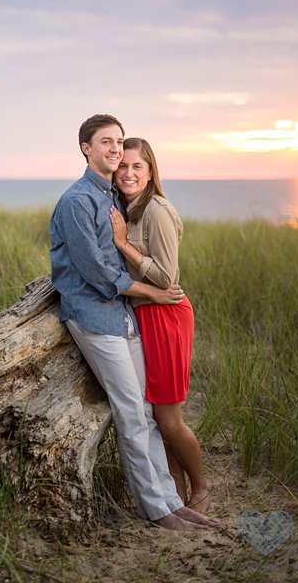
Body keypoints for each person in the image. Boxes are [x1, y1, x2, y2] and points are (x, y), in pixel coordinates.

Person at [49, 114, 219, 531]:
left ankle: (171, 500)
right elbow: (98, 273)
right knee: (130, 411)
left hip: (123, 317)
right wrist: (153, 294)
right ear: (85, 149)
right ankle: (156, 509)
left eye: (119, 142)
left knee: (145, 411)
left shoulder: (111, 197)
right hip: (94, 317)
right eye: (105, 142)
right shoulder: (77, 201)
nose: (114, 149)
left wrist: (149, 295)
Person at [109, 137, 210, 513]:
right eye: (123, 166)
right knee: (153, 414)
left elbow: (167, 277)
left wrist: (123, 245)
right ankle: (177, 491)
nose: (129, 173)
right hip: (144, 314)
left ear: (151, 171)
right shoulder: (128, 208)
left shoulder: (156, 210)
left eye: (137, 166)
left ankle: (201, 488)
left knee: (168, 420)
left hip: (165, 314)